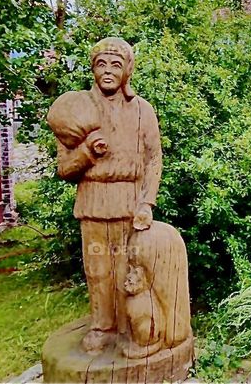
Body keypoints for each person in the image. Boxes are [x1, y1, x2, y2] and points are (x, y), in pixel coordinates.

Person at [47, 37, 161, 354]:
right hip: (93, 201)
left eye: (116, 65)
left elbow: (154, 159)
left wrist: (147, 202)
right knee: (97, 269)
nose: (108, 71)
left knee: (129, 266)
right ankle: (102, 326)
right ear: (93, 69)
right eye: (101, 64)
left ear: (127, 71)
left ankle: (128, 325)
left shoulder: (142, 110)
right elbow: (65, 169)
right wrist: (86, 152)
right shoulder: (76, 111)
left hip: (129, 201)